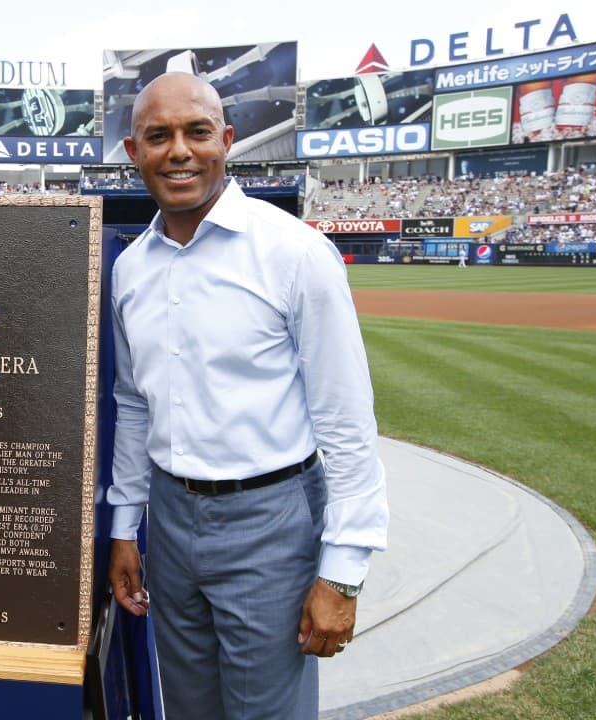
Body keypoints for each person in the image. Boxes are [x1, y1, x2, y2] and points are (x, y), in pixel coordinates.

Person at [106, 72, 389, 719]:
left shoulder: (294, 252)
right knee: (189, 708)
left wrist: (343, 572)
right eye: (158, 136)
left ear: (226, 141)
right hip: (171, 525)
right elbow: (135, 403)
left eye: (196, 132)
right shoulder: (131, 268)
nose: (179, 150)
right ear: (134, 152)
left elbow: (345, 424)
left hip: (272, 522)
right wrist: (126, 527)